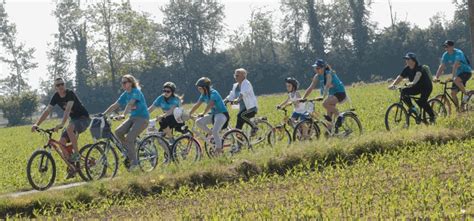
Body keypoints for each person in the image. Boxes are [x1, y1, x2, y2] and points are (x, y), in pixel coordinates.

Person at [31, 77, 91, 178]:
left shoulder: (70, 93)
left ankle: (77, 154)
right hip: (73, 120)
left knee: (69, 128)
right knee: (62, 142)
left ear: (65, 85)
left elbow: (67, 110)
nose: (60, 87)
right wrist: (37, 124)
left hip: (83, 119)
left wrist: (62, 124)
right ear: (55, 87)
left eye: (62, 84)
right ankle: (72, 168)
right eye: (58, 85)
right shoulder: (56, 96)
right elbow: (47, 110)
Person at [102, 74, 149, 171]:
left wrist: (123, 114)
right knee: (118, 132)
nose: (122, 84)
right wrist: (103, 114)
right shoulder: (125, 94)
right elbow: (115, 105)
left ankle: (135, 164)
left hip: (142, 118)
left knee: (129, 139)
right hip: (133, 118)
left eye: (124, 82)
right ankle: (129, 152)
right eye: (122, 82)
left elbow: (130, 103)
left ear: (131, 83)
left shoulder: (136, 92)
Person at [389, 52, 435, 123]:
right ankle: (413, 108)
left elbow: (418, 75)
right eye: (406, 59)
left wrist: (413, 82)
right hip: (416, 87)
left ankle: (432, 116)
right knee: (403, 92)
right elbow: (400, 77)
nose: (406, 61)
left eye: (408, 59)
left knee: (422, 101)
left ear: (413, 60)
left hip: (426, 87)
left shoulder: (419, 67)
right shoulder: (407, 68)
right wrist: (393, 84)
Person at [301, 59, 347, 130]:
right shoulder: (317, 76)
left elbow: (328, 85)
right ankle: (331, 133)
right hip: (332, 95)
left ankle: (340, 116)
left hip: (340, 93)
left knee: (325, 104)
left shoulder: (328, 73)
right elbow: (311, 87)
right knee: (329, 118)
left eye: (318, 68)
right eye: (315, 68)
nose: (316, 70)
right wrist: (303, 98)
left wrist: (323, 97)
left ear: (323, 68)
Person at [189, 77, 229, 153]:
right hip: (213, 115)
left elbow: (211, 104)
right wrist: (189, 113)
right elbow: (197, 104)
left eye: (200, 88)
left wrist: (203, 113)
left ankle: (219, 149)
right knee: (198, 122)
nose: (198, 90)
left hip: (221, 114)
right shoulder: (203, 95)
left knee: (215, 131)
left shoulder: (214, 93)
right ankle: (212, 135)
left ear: (205, 88)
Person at [434, 40, 472, 110]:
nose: (446, 48)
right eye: (445, 47)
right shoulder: (445, 55)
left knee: (456, 80)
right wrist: (436, 77)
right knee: (453, 93)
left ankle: (466, 94)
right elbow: (442, 66)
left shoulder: (458, 53)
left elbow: (455, 65)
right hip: (458, 74)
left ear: (452, 47)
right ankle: (458, 109)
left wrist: (453, 77)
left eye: (447, 46)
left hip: (466, 72)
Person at [224, 68, 258, 134]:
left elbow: (243, 93)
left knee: (241, 116)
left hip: (251, 108)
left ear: (243, 76)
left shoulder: (246, 83)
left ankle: (254, 127)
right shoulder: (235, 86)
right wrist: (225, 101)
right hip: (242, 109)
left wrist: (238, 99)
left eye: (237, 75)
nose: (235, 77)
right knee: (238, 128)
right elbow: (231, 95)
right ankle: (240, 142)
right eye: (235, 75)